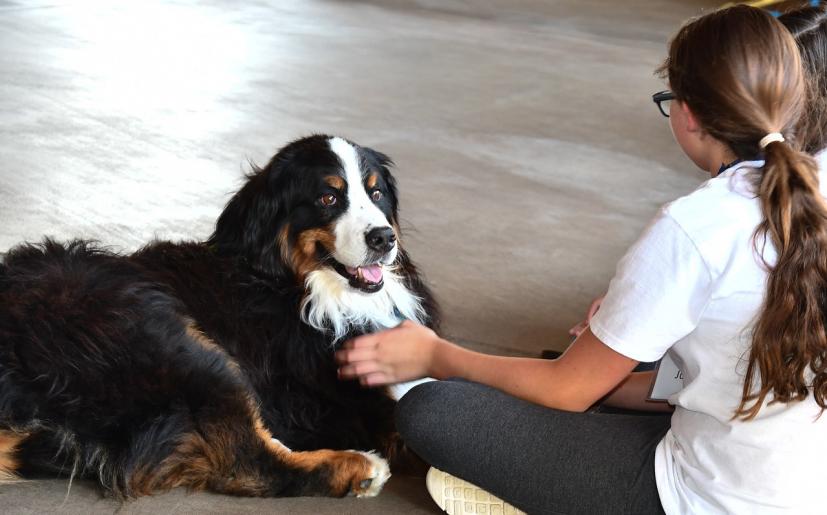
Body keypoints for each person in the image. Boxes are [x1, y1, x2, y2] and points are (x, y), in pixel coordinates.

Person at [336, 5, 827, 514]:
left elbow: (566, 390)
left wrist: (437, 355)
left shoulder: (697, 225)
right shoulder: (809, 192)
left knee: (433, 410)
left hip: (707, 497)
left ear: (689, 114)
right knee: (613, 365)